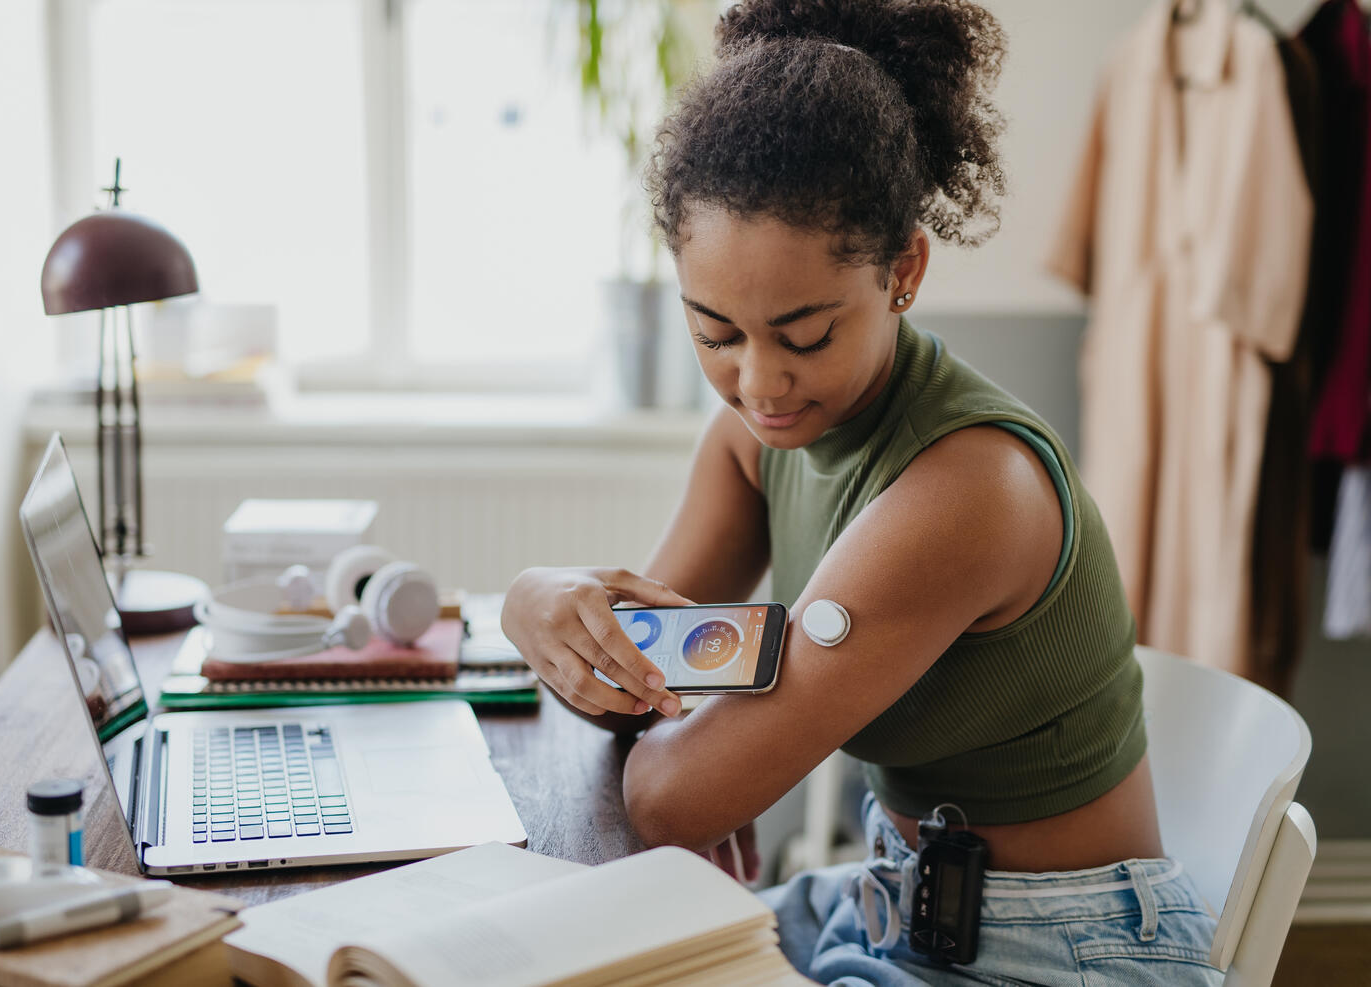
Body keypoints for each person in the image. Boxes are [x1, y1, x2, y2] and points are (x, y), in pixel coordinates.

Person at [500, 1, 1222, 982]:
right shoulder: (756, 443)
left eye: (804, 335)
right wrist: (535, 599)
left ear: (904, 270)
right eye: (715, 332)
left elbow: (674, 793)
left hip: (1054, 947)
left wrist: (690, 744)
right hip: (896, 896)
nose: (759, 383)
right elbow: (644, 685)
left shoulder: (967, 495)